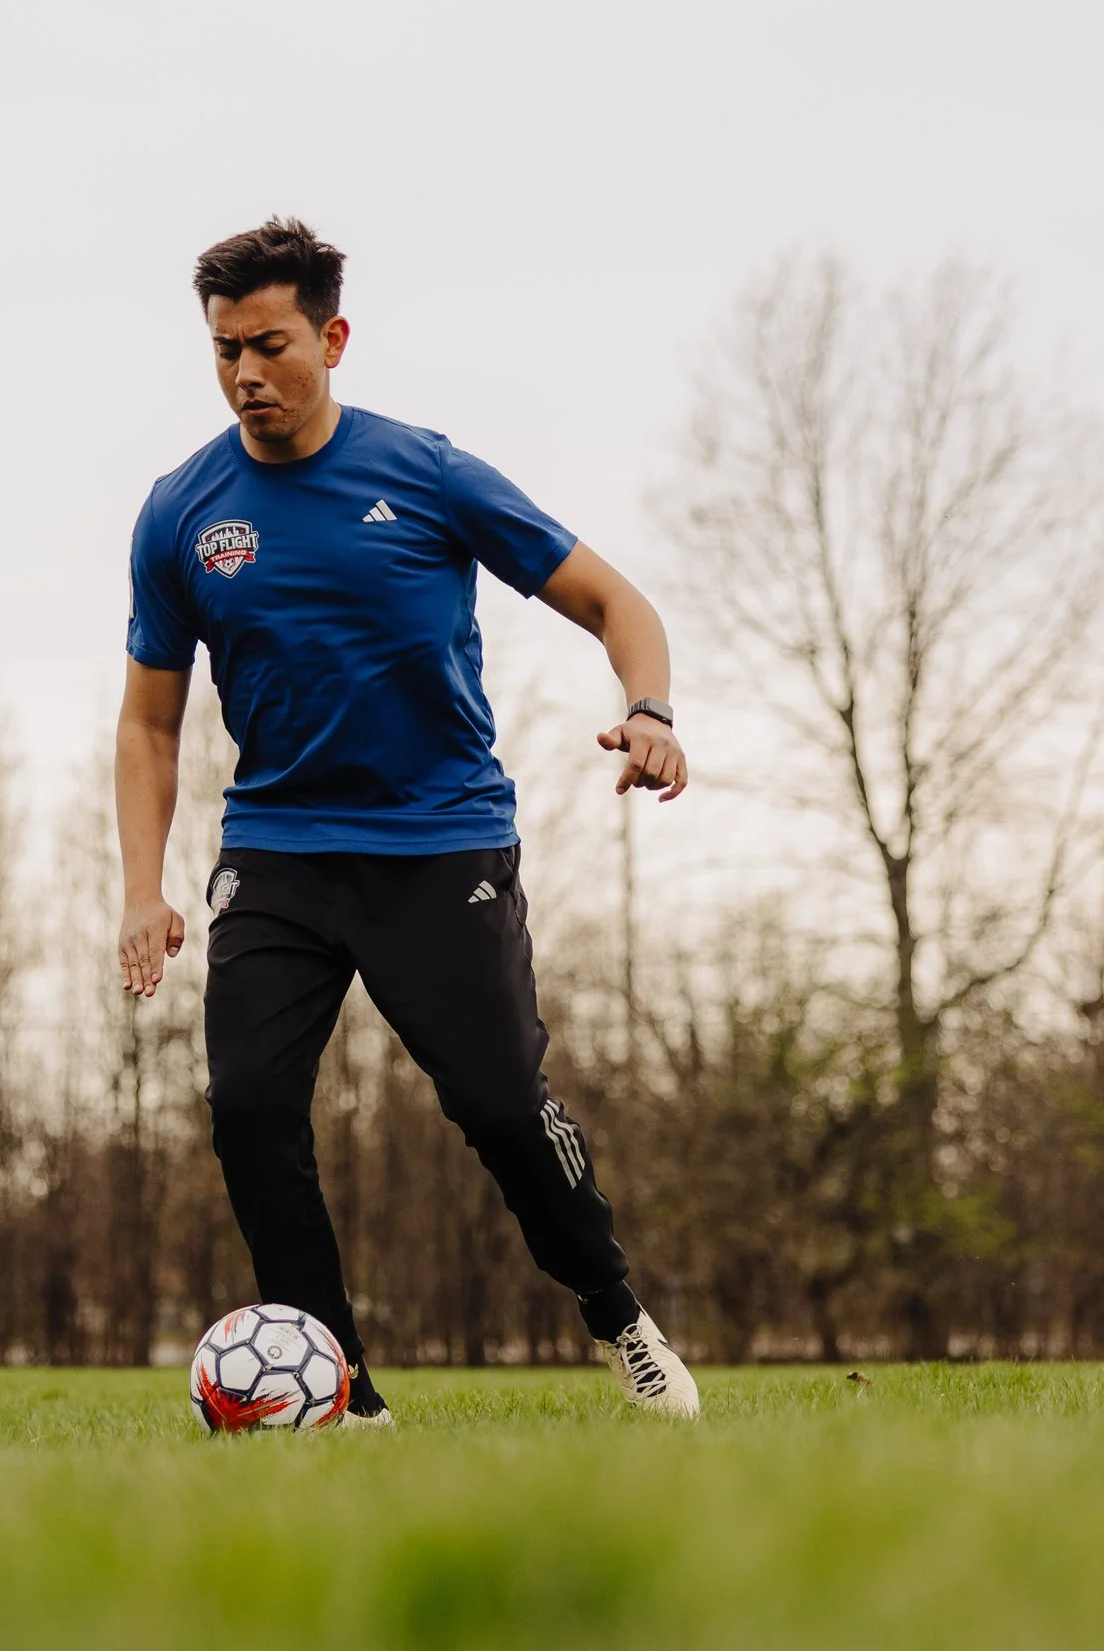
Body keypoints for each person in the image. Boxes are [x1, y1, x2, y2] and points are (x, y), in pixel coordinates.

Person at [114, 217, 699, 1425]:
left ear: (331, 338)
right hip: (278, 853)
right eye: (223, 350)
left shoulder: (426, 475)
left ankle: (617, 1314)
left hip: (439, 846)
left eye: (268, 345)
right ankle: (345, 1398)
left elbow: (611, 597)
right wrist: (142, 885)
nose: (244, 374)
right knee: (251, 1110)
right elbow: (149, 726)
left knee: (498, 1106)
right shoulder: (181, 512)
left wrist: (648, 708)